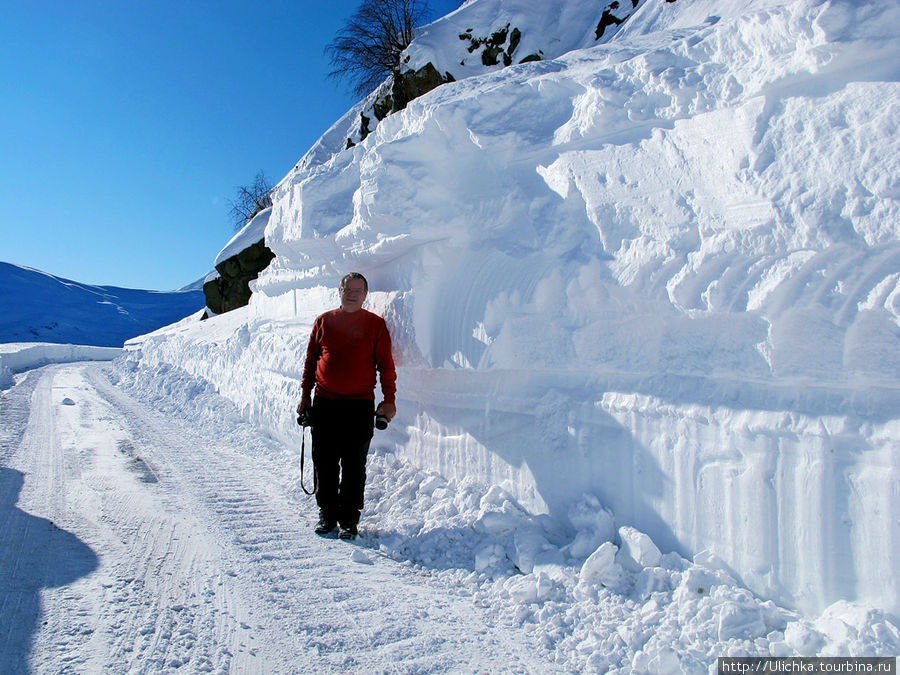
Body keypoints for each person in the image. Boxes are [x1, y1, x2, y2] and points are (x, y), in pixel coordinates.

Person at [296, 272, 397, 539]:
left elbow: (386, 366)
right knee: (324, 463)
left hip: (360, 407)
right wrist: (305, 397)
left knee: (354, 466)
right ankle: (327, 515)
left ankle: (349, 519)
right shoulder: (324, 321)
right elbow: (310, 363)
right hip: (325, 405)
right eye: (347, 289)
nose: (352, 293)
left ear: (365, 295)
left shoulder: (375, 325)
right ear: (339, 291)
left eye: (358, 290)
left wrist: (389, 401)